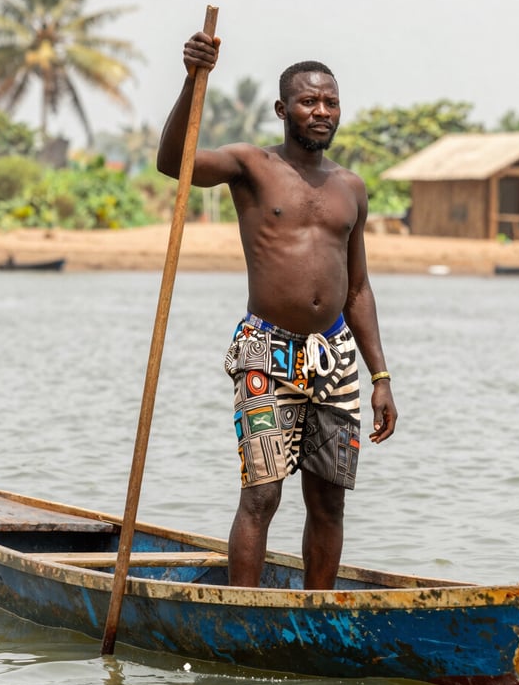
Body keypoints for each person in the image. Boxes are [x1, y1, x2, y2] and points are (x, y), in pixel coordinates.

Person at [157, 31, 398, 590]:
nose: (321, 111)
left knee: (329, 499)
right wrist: (195, 79)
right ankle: (244, 619)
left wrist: (380, 374)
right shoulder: (252, 167)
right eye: (309, 101)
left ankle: (314, 618)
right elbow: (177, 162)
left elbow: (358, 289)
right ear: (282, 109)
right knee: (262, 494)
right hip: (267, 349)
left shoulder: (350, 188)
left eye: (330, 102)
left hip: (335, 355)